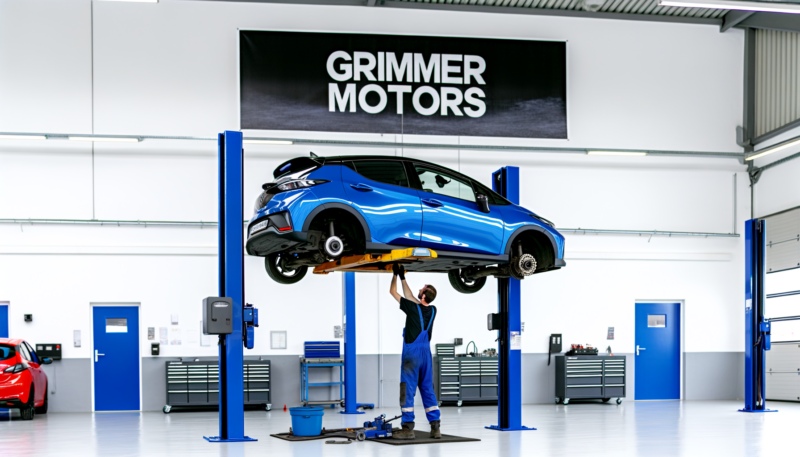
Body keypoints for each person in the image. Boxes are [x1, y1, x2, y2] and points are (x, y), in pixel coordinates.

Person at [388, 262, 441, 440]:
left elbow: (393, 293)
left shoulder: (413, 308)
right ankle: (435, 427)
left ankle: (408, 428)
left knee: (407, 389)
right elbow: (411, 296)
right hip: (427, 354)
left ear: (424, 294)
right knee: (427, 389)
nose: (419, 289)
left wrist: (394, 275)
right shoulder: (433, 310)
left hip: (412, 356)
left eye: (422, 288)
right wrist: (403, 276)